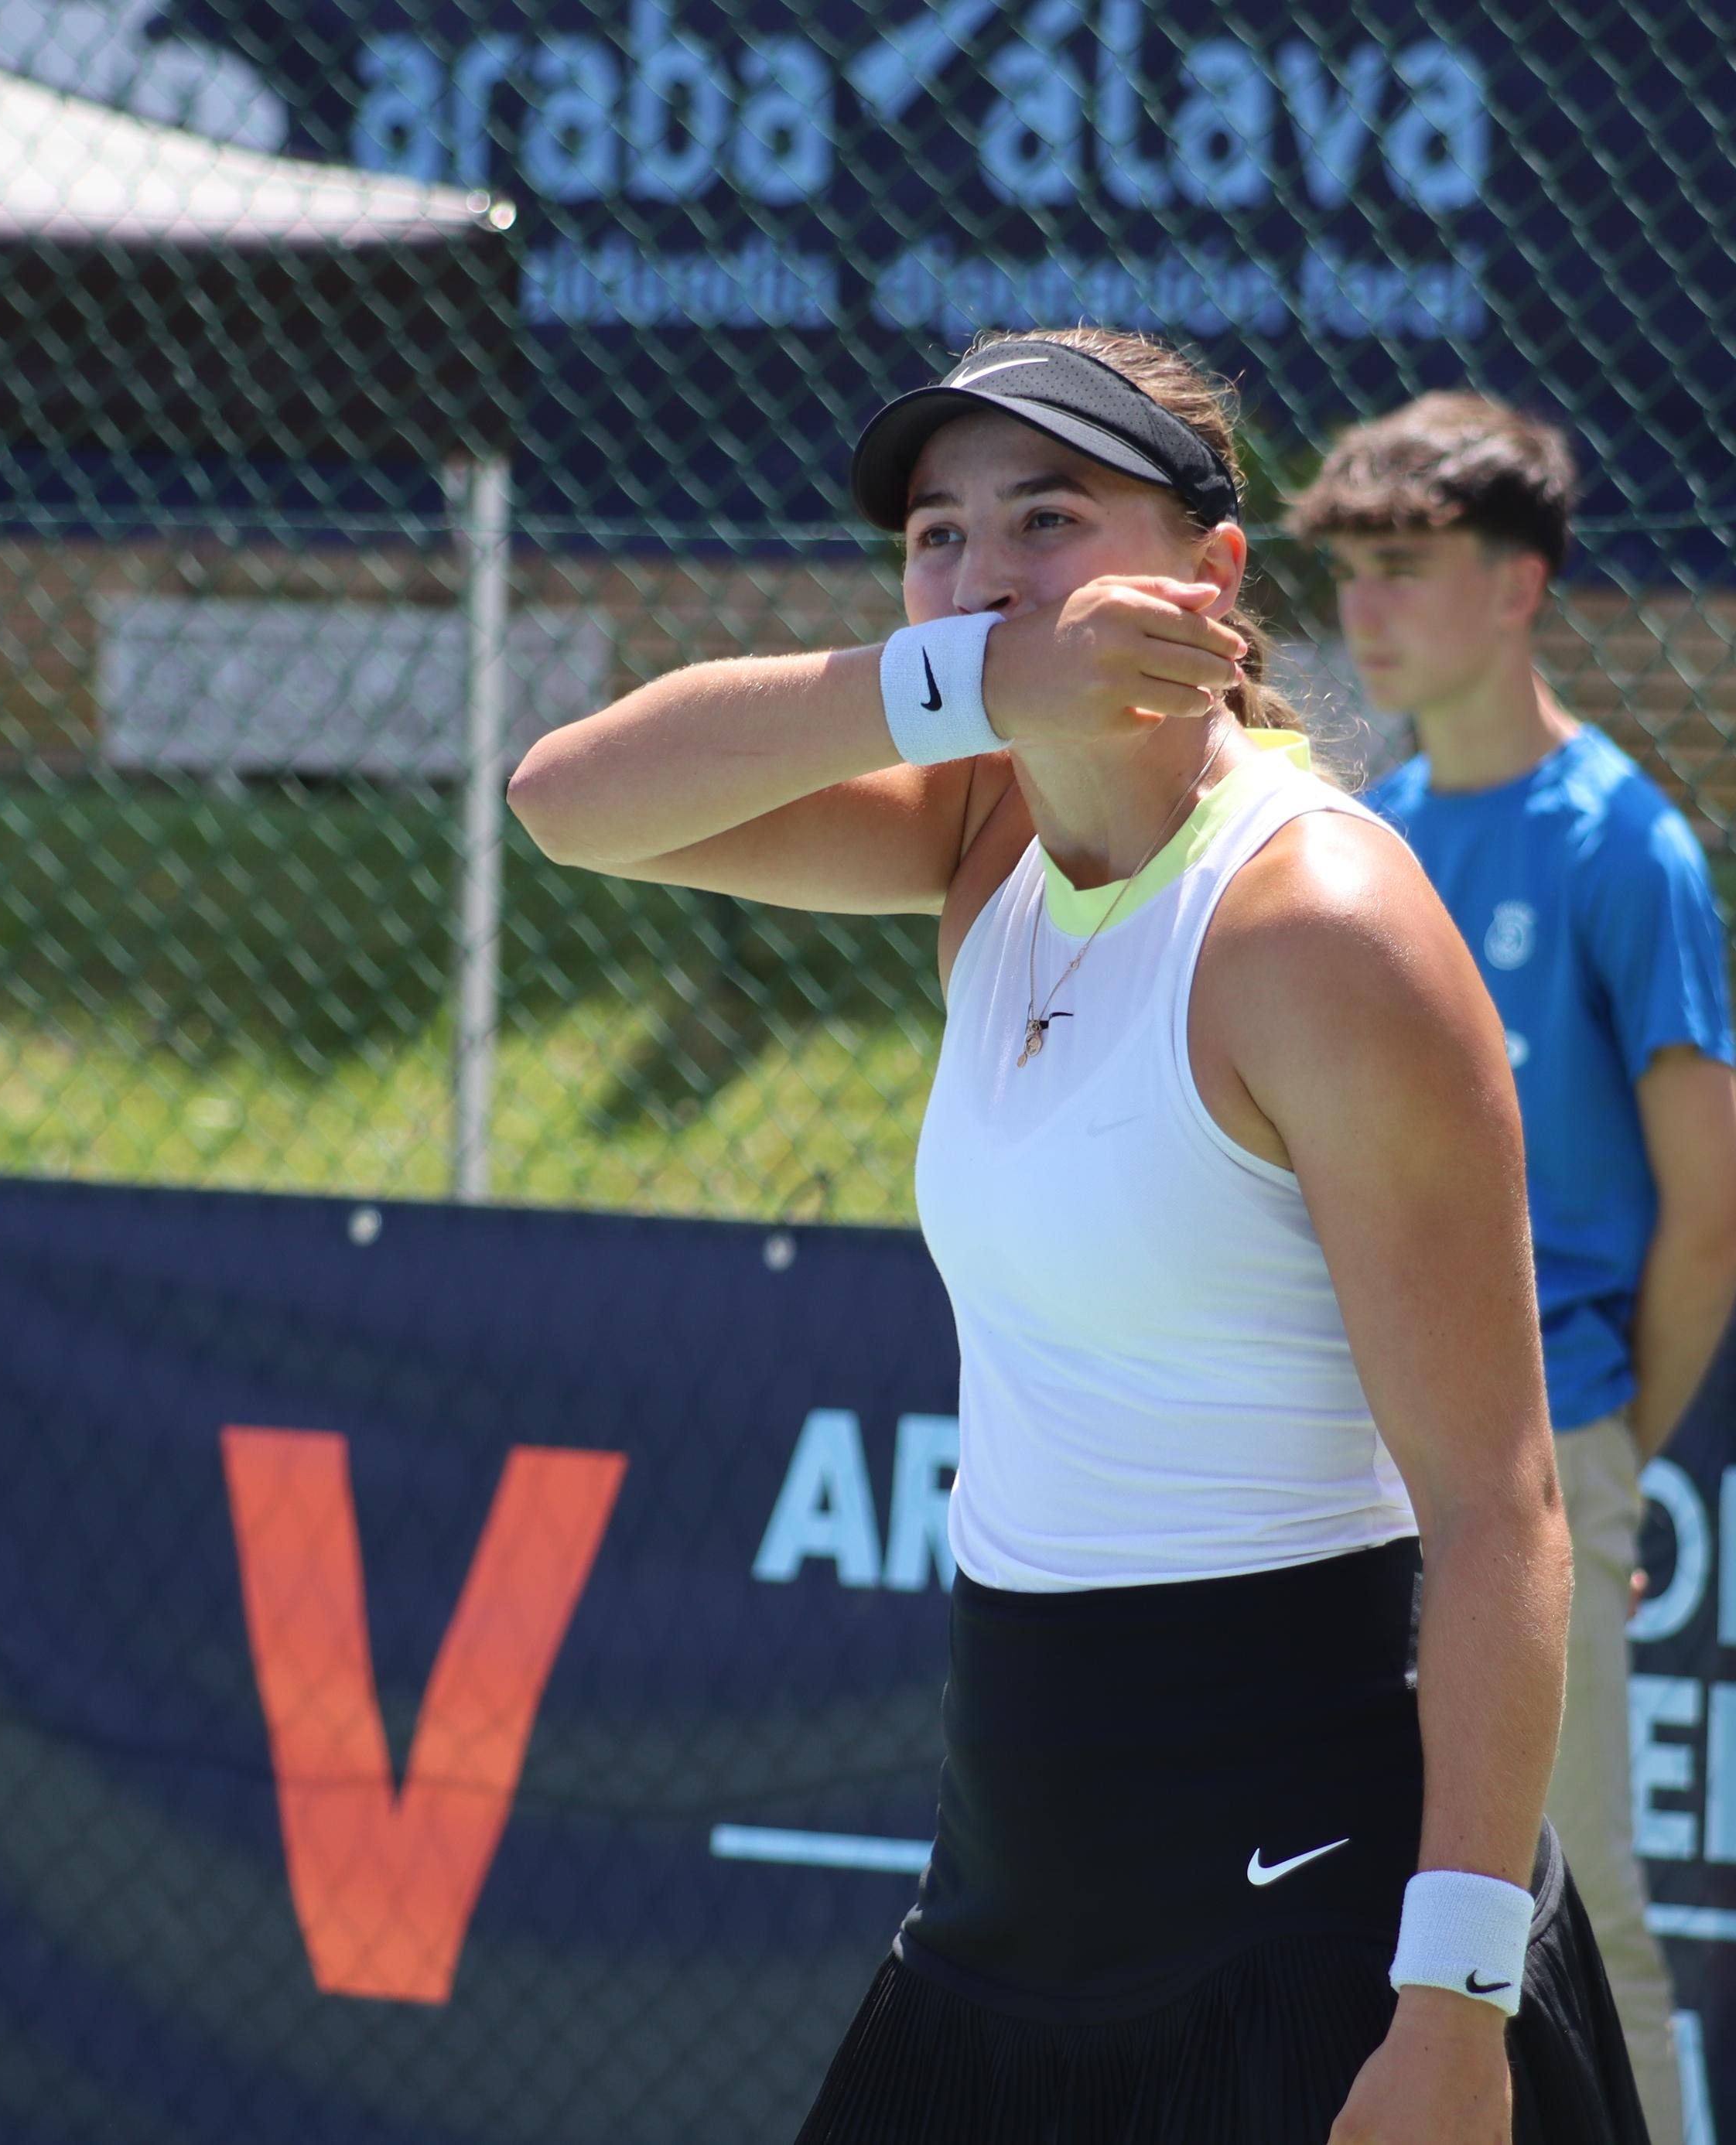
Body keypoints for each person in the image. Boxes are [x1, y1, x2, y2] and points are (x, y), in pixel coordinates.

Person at [508, 329, 1650, 2145]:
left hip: (1318, 1908)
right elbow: (568, 800)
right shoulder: (980, 835)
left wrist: (1449, 2006)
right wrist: (963, 676)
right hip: (1015, 1884)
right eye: (936, 536)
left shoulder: (1322, 923)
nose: (979, 576)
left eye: (1045, 518)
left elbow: (1500, 1510)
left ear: (1208, 577)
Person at [1293, 391, 1736, 2145]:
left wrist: (1597, 1462)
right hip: (1353, 1453)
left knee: (1570, 1911)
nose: (1368, 609)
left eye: (1407, 569)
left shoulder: (1622, 843)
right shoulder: (1373, 829)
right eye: (1350, 570)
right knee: (1369, 1909)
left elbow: (1710, 1212)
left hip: (1532, 1455)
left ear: (1522, 586)